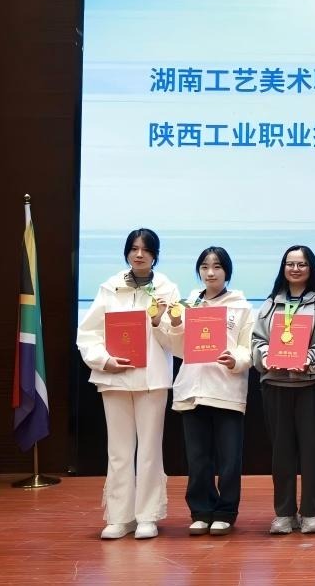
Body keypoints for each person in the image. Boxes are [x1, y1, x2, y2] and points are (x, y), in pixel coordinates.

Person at [76, 228, 181, 540]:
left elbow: (177, 343)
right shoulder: (110, 288)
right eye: (134, 248)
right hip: (115, 378)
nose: (139, 254)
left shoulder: (167, 289)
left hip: (152, 380)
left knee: (149, 450)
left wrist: (160, 321)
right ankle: (120, 517)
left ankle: (147, 515)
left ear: (155, 255)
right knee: (119, 451)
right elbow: (88, 334)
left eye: (146, 249)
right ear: (126, 252)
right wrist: (104, 360)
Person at [251, 245, 315, 535]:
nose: (295, 269)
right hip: (276, 385)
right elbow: (257, 340)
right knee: (281, 453)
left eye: (301, 264)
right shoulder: (270, 304)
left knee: (312, 452)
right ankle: (284, 513)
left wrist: (309, 358)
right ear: (283, 268)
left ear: (310, 268)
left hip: (312, 386)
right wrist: (266, 355)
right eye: (290, 264)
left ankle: (311, 513)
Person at [165, 246, 253, 536]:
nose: (210, 273)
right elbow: (178, 349)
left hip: (226, 390)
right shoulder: (188, 304)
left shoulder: (241, 306)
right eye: (204, 267)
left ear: (227, 271)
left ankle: (226, 512)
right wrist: (175, 323)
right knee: (198, 458)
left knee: (229, 459)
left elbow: (247, 348)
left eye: (217, 267)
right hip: (192, 389)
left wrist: (235, 360)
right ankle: (201, 511)